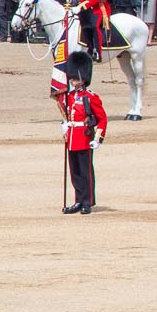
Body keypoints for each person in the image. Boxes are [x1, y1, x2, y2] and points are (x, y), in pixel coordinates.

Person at [58, 51, 106, 215]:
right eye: (72, 78)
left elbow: (102, 119)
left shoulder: (90, 97)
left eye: (75, 78)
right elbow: (67, 114)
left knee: (86, 172)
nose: (73, 81)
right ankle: (78, 199)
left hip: (84, 137)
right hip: (72, 137)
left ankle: (87, 201)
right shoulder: (69, 96)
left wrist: (98, 139)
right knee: (75, 172)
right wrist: (65, 126)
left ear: (84, 78)